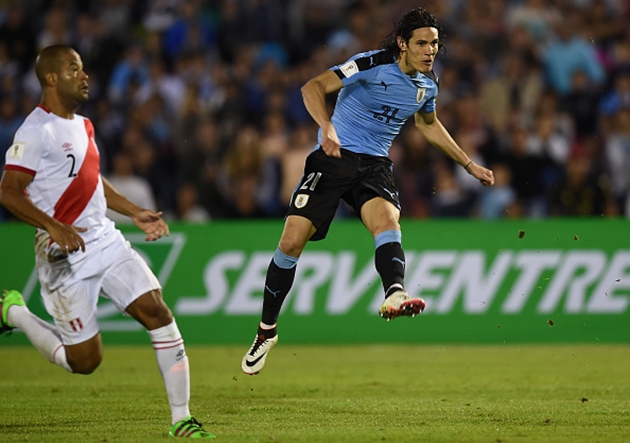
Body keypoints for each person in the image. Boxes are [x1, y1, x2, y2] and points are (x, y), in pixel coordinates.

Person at [241, 7, 495, 376]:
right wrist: (326, 126)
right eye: (422, 43)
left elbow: (429, 124)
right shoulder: (370, 64)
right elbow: (311, 87)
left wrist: (468, 164)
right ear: (402, 44)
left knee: (388, 220)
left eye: (435, 44)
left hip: (374, 165)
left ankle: (395, 292)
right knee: (291, 242)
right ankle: (267, 331)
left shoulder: (427, 85)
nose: (430, 51)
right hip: (334, 157)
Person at [0, 45, 215, 439]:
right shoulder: (35, 131)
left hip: (103, 239)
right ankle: (12, 312)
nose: (84, 76)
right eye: (73, 69)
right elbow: (9, 192)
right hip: (62, 255)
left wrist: (133, 211)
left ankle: (182, 419)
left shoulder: (83, 125)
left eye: (82, 68)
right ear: (51, 78)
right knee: (85, 361)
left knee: (158, 312)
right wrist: (52, 226)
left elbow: (91, 181)